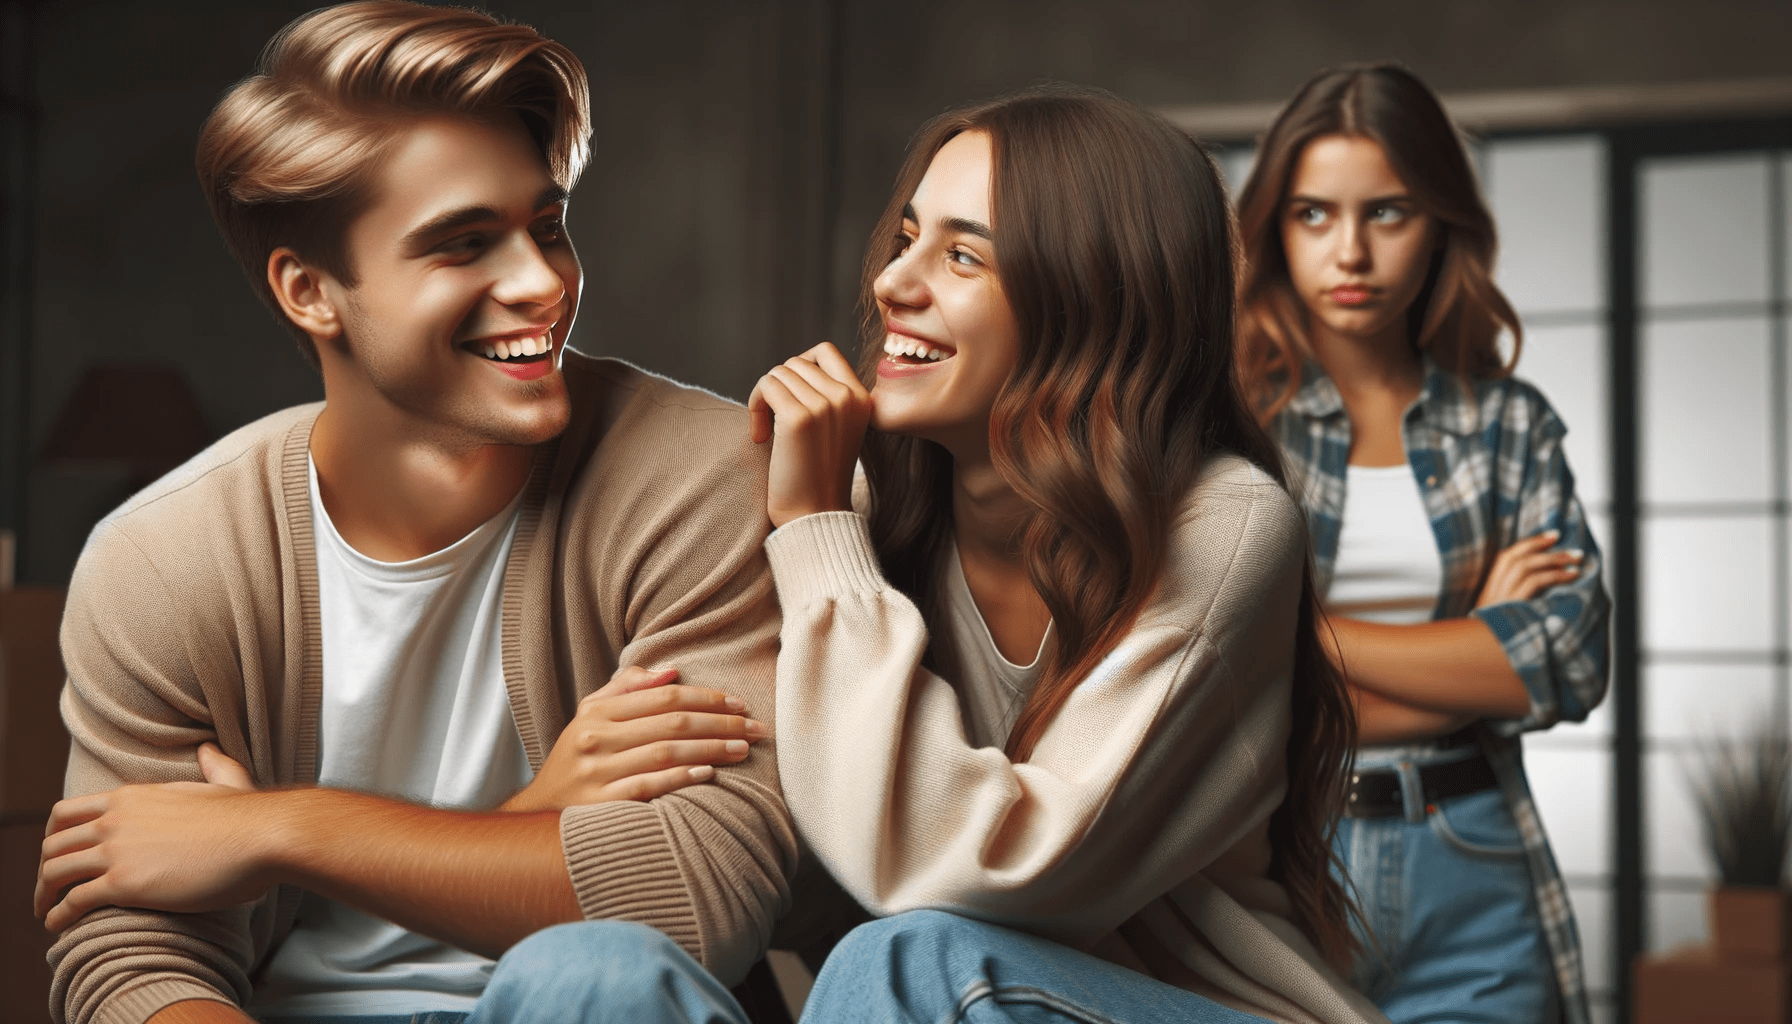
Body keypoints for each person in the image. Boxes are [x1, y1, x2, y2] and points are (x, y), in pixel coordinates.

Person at [32, 4, 795, 1022]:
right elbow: (129, 954)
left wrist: (275, 828)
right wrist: (533, 824)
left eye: (548, 225)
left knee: (591, 975)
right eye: (463, 244)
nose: (542, 283)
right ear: (312, 291)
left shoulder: (699, 478)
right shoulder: (165, 559)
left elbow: (698, 895)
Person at [746, 87, 1384, 1024]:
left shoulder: (1225, 522)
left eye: (962, 255)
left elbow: (967, 870)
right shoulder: (862, 500)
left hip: (1203, 1009)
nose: (892, 284)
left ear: (1090, 299)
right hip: (968, 997)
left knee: (907, 962)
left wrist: (812, 531)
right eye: (907, 237)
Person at [1233, 63, 1611, 1024]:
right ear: (1274, 226)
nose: (1349, 252)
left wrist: (1298, 631)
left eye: (1388, 213)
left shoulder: (1509, 425)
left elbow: (1567, 659)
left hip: (1474, 861)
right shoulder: (1232, 420)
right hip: (1279, 862)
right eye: (1314, 214)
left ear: (1442, 221)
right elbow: (1210, 677)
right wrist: (1476, 642)